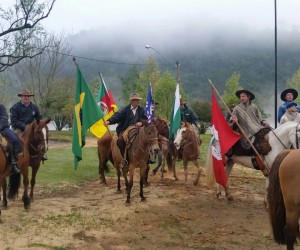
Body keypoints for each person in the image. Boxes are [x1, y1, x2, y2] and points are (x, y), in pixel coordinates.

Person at [105, 92, 148, 167]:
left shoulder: (141, 110)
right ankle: (125, 159)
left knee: (147, 139)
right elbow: (117, 116)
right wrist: (109, 121)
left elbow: (146, 119)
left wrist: (141, 123)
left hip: (138, 130)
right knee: (120, 141)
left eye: (137, 100)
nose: (136, 101)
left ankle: (148, 158)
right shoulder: (125, 109)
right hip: (125, 130)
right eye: (134, 100)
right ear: (131, 101)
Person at [10, 89, 47, 161]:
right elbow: (14, 121)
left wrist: (41, 123)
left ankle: (41, 154)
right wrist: (25, 127)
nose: (27, 98)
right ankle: (13, 159)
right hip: (18, 129)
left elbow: (39, 118)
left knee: (40, 138)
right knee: (13, 141)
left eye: (28, 96)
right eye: (25, 96)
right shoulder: (15, 107)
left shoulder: (34, 107)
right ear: (21, 97)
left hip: (32, 129)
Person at [230, 89, 270, 155]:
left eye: (243, 96)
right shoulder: (237, 109)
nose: (241, 98)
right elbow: (231, 121)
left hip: (259, 128)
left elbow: (260, 117)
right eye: (240, 97)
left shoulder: (254, 106)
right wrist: (234, 121)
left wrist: (264, 122)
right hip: (247, 133)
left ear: (248, 97)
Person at [0, 103, 21, 174]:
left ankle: (13, 163)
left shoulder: (1, 106)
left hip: (3, 128)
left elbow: (4, 118)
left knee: (15, 140)